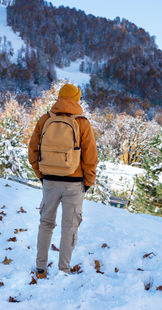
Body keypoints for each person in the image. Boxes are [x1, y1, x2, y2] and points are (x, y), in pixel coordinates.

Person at [28, 83, 98, 279]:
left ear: (59, 97)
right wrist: (88, 181)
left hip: (49, 180)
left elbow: (32, 150)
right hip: (74, 183)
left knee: (46, 223)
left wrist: (41, 174)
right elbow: (91, 157)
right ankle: (63, 270)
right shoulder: (82, 122)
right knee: (69, 227)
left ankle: (40, 268)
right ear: (77, 99)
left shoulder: (45, 119)